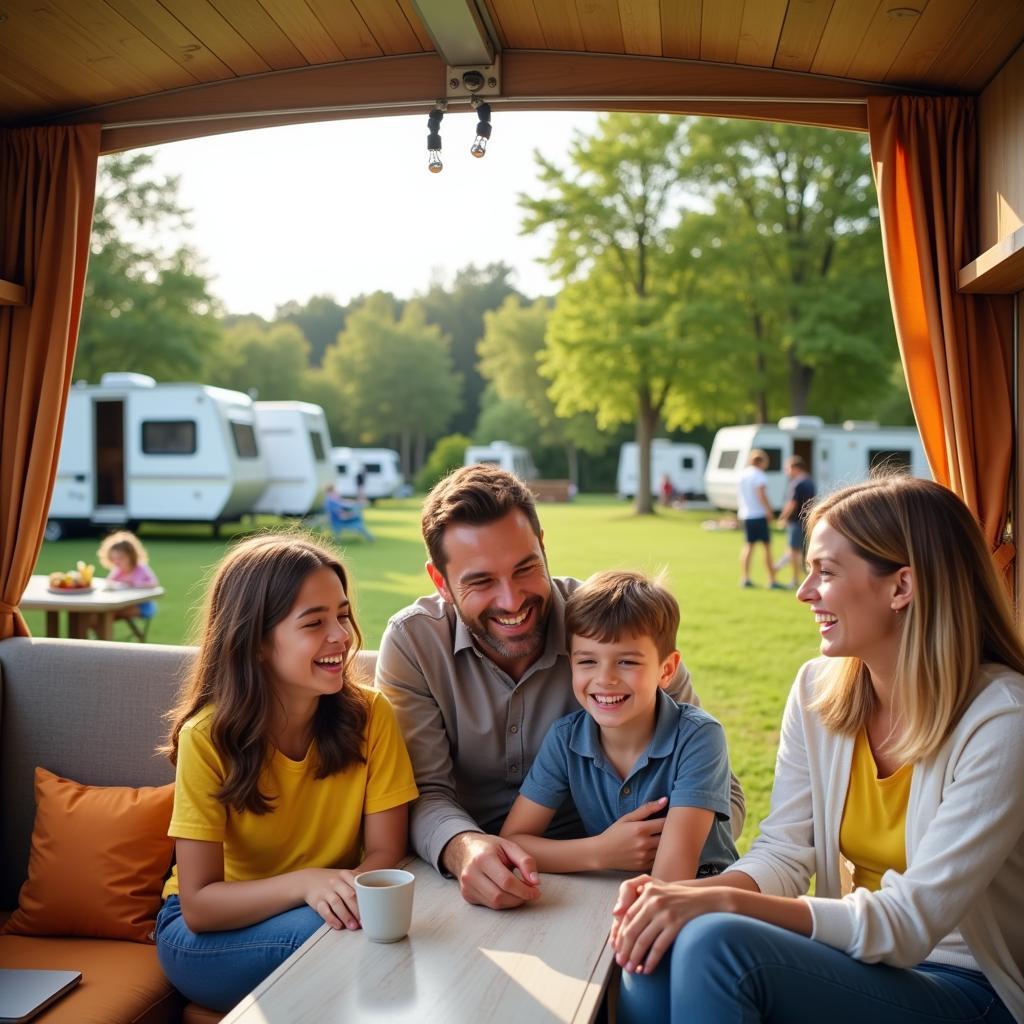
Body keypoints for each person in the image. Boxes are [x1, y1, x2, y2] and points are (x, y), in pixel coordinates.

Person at [612, 475, 1024, 1024]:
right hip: (861, 963)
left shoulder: (1002, 721)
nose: (804, 592)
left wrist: (718, 900)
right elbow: (785, 850)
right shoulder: (817, 690)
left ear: (902, 587)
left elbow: (909, 923)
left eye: (825, 572)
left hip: (972, 987)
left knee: (719, 945)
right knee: (658, 946)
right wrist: (682, 900)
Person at [375, 464, 745, 912]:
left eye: (525, 568)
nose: (512, 601)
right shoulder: (413, 642)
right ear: (441, 583)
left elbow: (722, 789)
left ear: (544, 548)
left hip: (624, 884)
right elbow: (422, 791)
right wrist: (463, 846)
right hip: (480, 879)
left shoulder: (608, 626)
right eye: (481, 581)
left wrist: (659, 850)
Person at [155, 534, 419, 1011]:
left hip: (324, 909)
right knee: (340, 938)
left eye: (341, 614)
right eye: (314, 622)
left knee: (369, 929)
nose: (340, 635)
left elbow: (386, 850)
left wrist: (342, 896)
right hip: (204, 936)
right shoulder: (208, 736)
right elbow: (200, 905)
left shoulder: (371, 715)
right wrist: (307, 885)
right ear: (256, 642)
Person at [500, 570, 738, 881]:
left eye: (626, 661)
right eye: (587, 661)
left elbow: (672, 877)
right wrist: (600, 852)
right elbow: (513, 842)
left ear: (666, 670)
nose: (605, 678)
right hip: (611, 895)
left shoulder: (698, 737)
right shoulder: (564, 739)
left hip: (697, 900)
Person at [737, 449, 782, 589]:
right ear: (760, 462)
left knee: (748, 546)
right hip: (758, 514)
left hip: (746, 514)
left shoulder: (743, 475)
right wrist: (769, 510)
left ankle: (745, 577)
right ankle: (772, 579)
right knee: (767, 547)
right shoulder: (759, 475)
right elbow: (761, 494)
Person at [97, 529, 159, 622]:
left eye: (121, 558)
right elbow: (109, 583)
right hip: (123, 604)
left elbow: (154, 584)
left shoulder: (140, 568)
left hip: (142, 605)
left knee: (107, 616)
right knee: (98, 616)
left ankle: (104, 633)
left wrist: (135, 584)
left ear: (131, 556)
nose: (117, 562)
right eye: (114, 559)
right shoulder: (118, 570)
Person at [775, 455, 817, 586]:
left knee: (794, 551)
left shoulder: (797, 483)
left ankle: (795, 580)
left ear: (795, 468)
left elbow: (792, 503)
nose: (786, 472)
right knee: (798, 550)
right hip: (806, 522)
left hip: (795, 522)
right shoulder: (810, 481)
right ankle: (777, 567)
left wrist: (783, 518)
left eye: (787, 469)